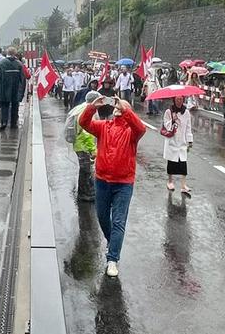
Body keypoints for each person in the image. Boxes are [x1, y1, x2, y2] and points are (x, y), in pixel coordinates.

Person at [79, 96, 148, 278]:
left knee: (118, 221)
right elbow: (84, 123)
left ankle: (112, 259)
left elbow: (141, 128)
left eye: (122, 107)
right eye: (117, 106)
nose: (117, 108)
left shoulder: (132, 131)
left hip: (123, 183)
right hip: (102, 180)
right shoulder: (104, 126)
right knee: (102, 216)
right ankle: (113, 242)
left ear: (128, 111)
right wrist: (92, 107)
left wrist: (126, 110)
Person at [66, 90, 101, 203]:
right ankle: (85, 194)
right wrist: (93, 149)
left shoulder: (80, 107)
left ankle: (86, 191)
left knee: (84, 169)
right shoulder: (89, 111)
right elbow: (87, 134)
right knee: (86, 170)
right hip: (83, 145)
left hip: (78, 143)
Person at [161, 95, 194, 196]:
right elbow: (166, 125)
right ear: (174, 100)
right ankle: (170, 181)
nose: (179, 101)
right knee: (171, 162)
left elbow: (188, 127)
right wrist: (173, 120)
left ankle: (183, 185)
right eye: (177, 99)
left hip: (182, 142)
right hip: (172, 141)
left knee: (183, 163)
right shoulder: (168, 112)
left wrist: (190, 140)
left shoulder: (186, 112)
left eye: (181, 99)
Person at [0, 52, 27, 130]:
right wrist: (22, 91)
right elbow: (22, 79)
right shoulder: (19, 64)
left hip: (4, 88)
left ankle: (4, 122)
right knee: (15, 106)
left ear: (7, 53)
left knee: (5, 105)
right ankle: (13, 123)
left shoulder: (1, 63)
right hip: (16, 88)